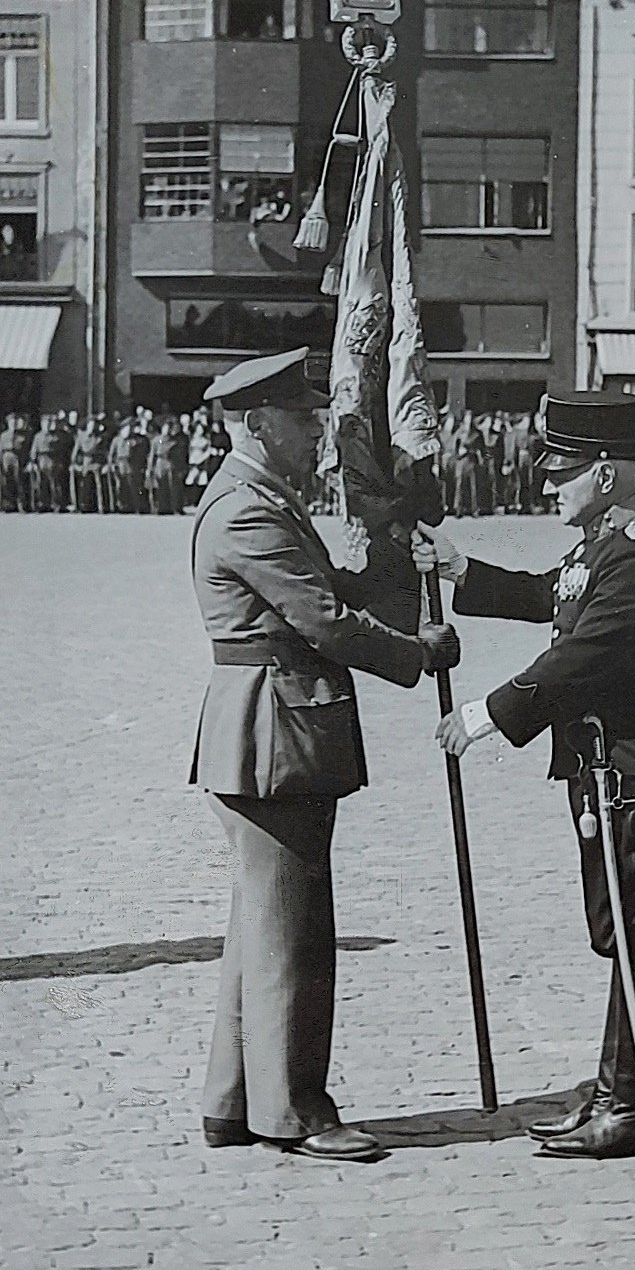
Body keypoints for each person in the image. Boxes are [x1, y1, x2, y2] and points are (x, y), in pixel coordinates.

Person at [413, 390, 635, 1160]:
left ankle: (629, 1110)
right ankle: (618, 1092)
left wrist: (485, 714)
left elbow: (583, 655)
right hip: (619, 773)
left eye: (563, 473)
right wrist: (459, 568)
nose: (548, 485)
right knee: (627, 938)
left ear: (607, 475)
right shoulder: (604, 544)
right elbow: (552, 595)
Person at [190, 347, 460, 1162]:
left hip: (276, 730)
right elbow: (324, 621)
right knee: (294, 933)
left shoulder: (264, 498)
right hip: (272, 734)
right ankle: (295, 1111)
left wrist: (392, 554)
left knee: (264, 925)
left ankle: (233, 1101)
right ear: (257, 422)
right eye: (302, 419)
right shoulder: (246, 510)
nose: (317, 432)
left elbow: (335, 589)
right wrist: (416, 653)